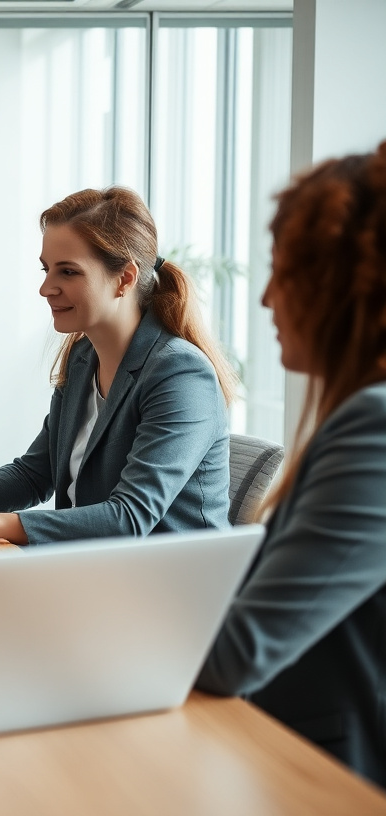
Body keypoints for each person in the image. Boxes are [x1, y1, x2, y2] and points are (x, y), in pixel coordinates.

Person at [0, 186, 234, 544]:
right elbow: (36, 473)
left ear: (124, 277)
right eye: (46, 270)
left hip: (167, 587)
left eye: (68, 272)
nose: (46, 288)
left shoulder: (180, 375)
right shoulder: (82, 358)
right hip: (91, 569)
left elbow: (129, 517)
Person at [196, 141, 386, 785]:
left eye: (284, 274)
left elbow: (237, 654)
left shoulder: (375, 427)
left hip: (323, 773)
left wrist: (72, 625)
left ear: (345, 288)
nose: (267, 298)